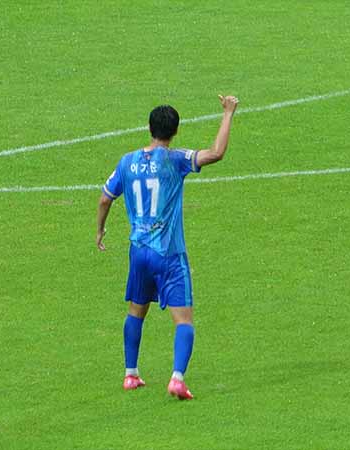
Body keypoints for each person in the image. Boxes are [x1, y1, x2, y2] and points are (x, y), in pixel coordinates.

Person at [96, 95, 239, 400]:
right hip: (169, 254)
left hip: (139, 252)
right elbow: (216, 153)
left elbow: (105, 198)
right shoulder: (175, 160)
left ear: (149, 128)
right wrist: (228, 113)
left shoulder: (127, 162)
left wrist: (100, 229)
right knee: (184, 320)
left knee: (136, 311)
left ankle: (130, 374)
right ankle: (177, 379)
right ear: (175, 131)